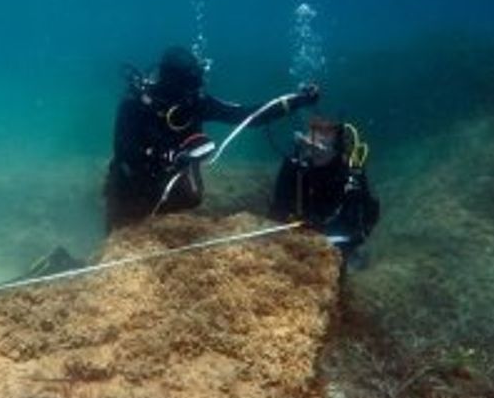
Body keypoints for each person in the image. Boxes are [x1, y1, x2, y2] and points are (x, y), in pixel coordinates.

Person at [104, 45, 320, 230]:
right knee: (122, 224)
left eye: (195, 86)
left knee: (188, 200)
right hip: (132, 183)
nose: (193, 93)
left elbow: (248, 116)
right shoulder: (135, 104)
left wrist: (296, 101)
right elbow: (123, 149)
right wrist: (165, 154)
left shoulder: (197, 102)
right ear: (170, 81)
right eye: (188, 86)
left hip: (172, 184)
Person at [269, 115, 379, 275]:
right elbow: (277, 209)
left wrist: (339, 247)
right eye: (308, 146)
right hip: (297, 239)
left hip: (336, 243)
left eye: (319, 148)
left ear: (337, 149)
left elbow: (367, 218)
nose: (312, 153)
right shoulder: (294, 167)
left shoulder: (351, 174)